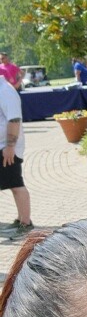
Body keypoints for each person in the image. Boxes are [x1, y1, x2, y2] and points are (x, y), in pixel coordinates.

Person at [0, 77, 33, 241]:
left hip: (7, 148)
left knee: (16, 184)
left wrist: (10, 146)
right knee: (13, 184)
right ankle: (20, 219)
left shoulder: (5, 91)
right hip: (3, 146)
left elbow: (14, 120)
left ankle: (26, 223)